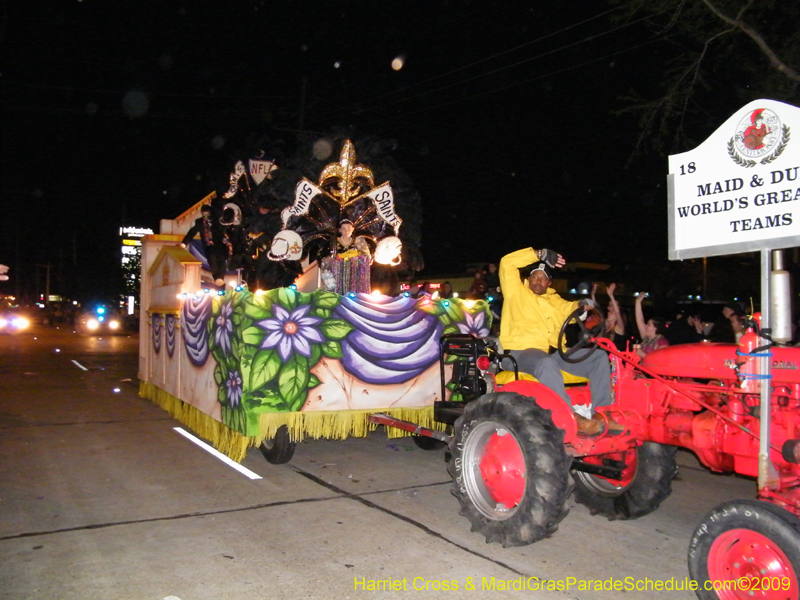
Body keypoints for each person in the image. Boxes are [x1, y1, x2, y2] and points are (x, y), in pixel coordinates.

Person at [499, 247, 623, 437]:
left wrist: (582, 305)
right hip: (519, 353)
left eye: (543, 278)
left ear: (549, 282)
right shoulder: (516, 292)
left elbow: (570, 309)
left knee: (598, 356)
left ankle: (602, 414)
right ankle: (571, 418)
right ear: (528, 279)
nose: (538, 280)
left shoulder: (555, 301)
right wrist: (539, 254)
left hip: (554, 355)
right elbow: (507, 263)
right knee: (545, 362)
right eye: (535, 276)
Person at [181, 204, 228, 286]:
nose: (205, 216)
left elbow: (222, 230)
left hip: (220, 246)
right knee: (212, 261)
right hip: (209, 246)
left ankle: (221, 278)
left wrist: (225, 239)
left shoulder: (217, 221)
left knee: (222, 262)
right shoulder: (199, 222)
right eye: (204, 214)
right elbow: (192, 232)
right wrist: (184, 243)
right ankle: (217, 278)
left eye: (207, 214)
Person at [592, 282, 629, 352]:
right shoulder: (606, 327)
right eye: (610, 307)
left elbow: (617, 312)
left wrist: (611, 295)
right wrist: (593, 294)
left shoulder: (619, 328)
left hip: (613, 360)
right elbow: (597, 311)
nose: (609, 312)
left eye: (612, 312)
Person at [634, 293, 669, 358]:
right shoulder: (646, 339)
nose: (645, 326)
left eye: (649, 324)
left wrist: (643, 355)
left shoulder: (662, 342)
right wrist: (638, 302)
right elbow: (640, 320)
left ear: (656, 328)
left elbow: (660, 361)